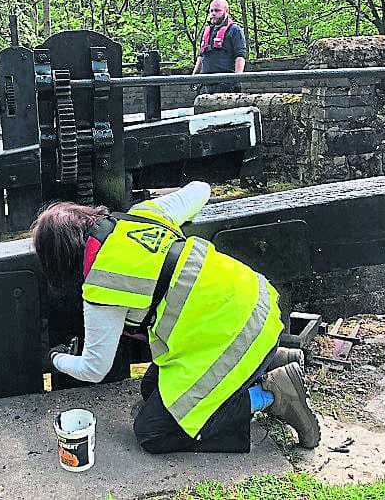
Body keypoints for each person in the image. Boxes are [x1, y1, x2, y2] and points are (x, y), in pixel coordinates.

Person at [31, 181, 321, 454]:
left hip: (230, 332)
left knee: (153, 432)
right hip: (259, 302)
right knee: (150, 390)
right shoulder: (143, 215)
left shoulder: (102, 285)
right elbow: (201, 189)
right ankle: (272, 357)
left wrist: (55, 358)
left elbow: (94, 369)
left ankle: (273, 395)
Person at [193, 0, 247, 95]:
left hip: (225, 85)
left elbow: (240, 57)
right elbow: (201, 56)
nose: (213, 13)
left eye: (217, 10)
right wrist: (193, 77)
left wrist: (237, 79)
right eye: (211, 10)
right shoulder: (206, 31)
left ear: (226, 11)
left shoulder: (234, 30)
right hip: (205, 85)